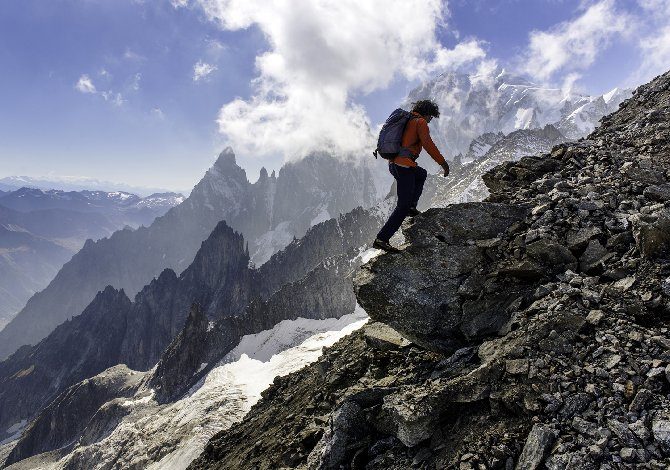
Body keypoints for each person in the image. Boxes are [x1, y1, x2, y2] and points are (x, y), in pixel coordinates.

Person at [373, 99, 450, 253]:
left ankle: (411, 207)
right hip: (404, 166)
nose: (430, 120)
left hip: (394, 164)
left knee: (421, 174)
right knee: (402, 205)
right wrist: (443, 163)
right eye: (431, 117)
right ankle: (382, 238)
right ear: (427, 113)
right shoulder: (420, 122)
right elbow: (428, 144)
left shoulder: (408, 119)